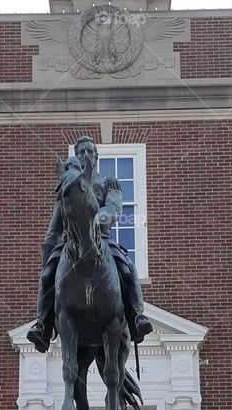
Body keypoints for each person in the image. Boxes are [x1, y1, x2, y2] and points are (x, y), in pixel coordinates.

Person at [27, 137, 153, 354]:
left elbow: (114, 210)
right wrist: (46, 256)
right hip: (70, 243)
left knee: (127, 269)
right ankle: (42, 324)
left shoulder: (108, 183)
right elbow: (54, 228)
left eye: (90, 151)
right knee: (48, 276)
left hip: (102, 239)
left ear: (96, 156)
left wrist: (96, 217)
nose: (86, 155)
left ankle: (137, 317)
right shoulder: (67, 190)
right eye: (81, 152)